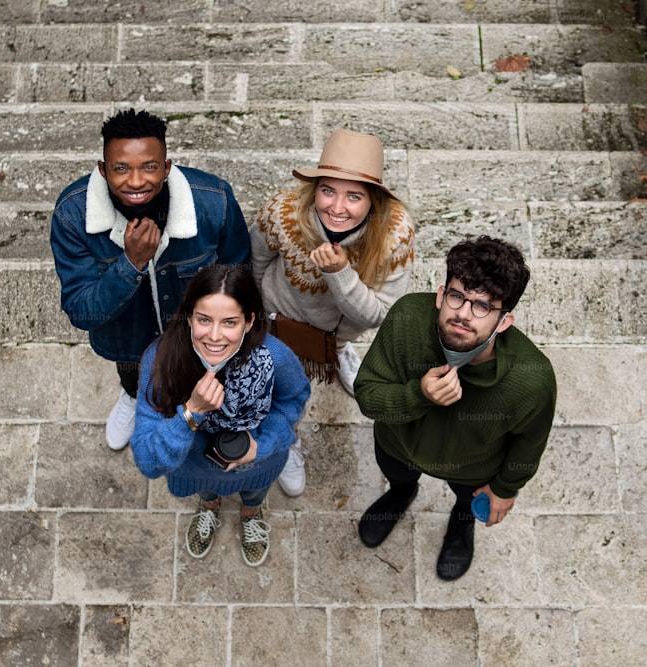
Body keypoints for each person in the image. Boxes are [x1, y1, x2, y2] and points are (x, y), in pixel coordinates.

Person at [353, 236, 557, 581]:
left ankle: (461, 523)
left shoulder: (532, 380)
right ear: (440, 294)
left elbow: (530, 442)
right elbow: (368, 395)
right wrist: (418, 395)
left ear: (504, 322)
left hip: (473, 472)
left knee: (466, 503)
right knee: (399, 477)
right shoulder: (406, 318)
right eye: (457, 296)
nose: (462, 314)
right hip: (397, 445)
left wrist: (506, 488)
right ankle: (401, 494)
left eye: (482, 306)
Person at [50, 109, 251, 451]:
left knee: (203, 379)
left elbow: (241, 274)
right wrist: (131, 263)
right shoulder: (72, 214)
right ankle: (131, 396)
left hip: (196, 337)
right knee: (132, 374)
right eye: (121, 168)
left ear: (167, 166)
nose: (136, 181)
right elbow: (81, 312)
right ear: (103, 169)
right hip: (127, 342)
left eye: (149, 166)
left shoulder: (213, 201)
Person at [250, 128, 415, 496]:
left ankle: (337, 355)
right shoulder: (283, 211)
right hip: (282, 325)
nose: (337, 208)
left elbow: (380, 315)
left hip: (341, 330)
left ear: (373, 200)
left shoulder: (395, 236)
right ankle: (286, 439)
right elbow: (257, 262)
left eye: (354, 196)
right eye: (328, 190)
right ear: (316, 188)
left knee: (336, 344)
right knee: (281, 390)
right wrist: (261, 315)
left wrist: (340, 275)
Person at [131, 265, 310, 567]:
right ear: (189, 317)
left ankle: (251, 513)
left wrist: (262, 446)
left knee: (254, 493)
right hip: (196, 467)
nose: (214, 336)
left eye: (230, 322)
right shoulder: (160, 360)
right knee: (207, 490)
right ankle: (209, 506)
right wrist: (191, 413)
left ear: (250, 321)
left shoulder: (274, 357)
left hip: (257, 464)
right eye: (203, 320)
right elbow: (148, 461)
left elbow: (292, 401)